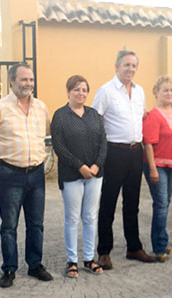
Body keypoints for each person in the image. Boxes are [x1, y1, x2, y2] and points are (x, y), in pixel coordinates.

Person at [0, 63, 53, 287]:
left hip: (37, 173)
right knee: (9, 225)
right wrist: (2, 156)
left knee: (36, 224)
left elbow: (47, 132)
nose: (28, 84)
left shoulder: (41, 107)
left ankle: (35, 265)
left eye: (31, 80)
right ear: (12, 82)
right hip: (10, 173)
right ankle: (9, 269)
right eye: (23, 80)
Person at [92, 50, 155, 269]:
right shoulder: (106, 91)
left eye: (134, 65)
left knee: (132, 203)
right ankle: (104, 251)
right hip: (114, 152)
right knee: (108, 202)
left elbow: (140, 116)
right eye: (126, 65)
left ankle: (134, 247)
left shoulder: (140, 92)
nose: (130, 69)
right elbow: (95, 122)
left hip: (135, 152)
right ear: (117, 66)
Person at [51, 75, 106, 278]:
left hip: (95, 174)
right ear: (68, 92)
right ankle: (72, 261)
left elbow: (103, 143)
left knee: (91, 217)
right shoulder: (60, 116)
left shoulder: (94, 115)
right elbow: (59, 146)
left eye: (84, 90)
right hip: (71, 175)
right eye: (76, 89)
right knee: (72, 218)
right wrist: (80, 166)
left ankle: (89, 259)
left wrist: (96, 165)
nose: (81, 93)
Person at [142, 75, 172, 262]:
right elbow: (148, 144)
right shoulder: (153, 115)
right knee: (161, 205)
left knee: (166, 203)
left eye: (171, 90)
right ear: (156, 93)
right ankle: (159, 246)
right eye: (165, 90)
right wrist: (152, 169)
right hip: (158, 165)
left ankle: (162, 239)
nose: (169, 93)